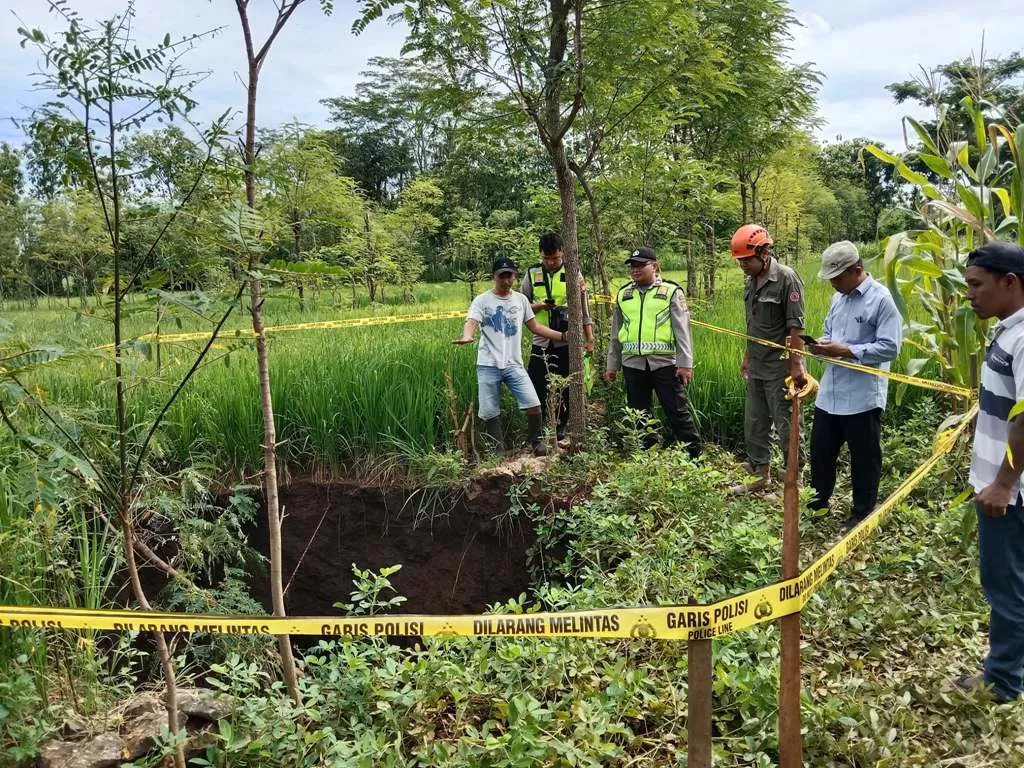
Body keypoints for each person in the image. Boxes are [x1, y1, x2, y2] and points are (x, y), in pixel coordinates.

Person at [958, 240, 1024, 702]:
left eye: (977, 285)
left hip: (1011, 494)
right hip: (1003, 484)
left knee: (1005, 585)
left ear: (1010, 282)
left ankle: (1002, 680)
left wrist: (1003, 482)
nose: (970, 295)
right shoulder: (1008, 329)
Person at [805, 241, 902, 530]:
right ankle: (817, 506)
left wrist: (845, 351)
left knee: (864, 458)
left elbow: (890, 347)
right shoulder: (838, 299)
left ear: (856, 269)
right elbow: (828, 332)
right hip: (831, 392)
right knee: (820, 453)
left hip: (863, 396)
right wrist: (822, 346)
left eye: (837, 278)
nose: (833, 284)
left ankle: (861, 513)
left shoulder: (882, 300)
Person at [454, 256, 567, 457]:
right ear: (494, 277)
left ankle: (536, 443)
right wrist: (467, 336)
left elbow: (536, 327)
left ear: (515, 276)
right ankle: (498, 450)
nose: (507, 281)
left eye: (510, 276)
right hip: (488, 363)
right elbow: (472, 320)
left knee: (533, 403)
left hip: (514, 364)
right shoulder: (483, 300)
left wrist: (564, 337)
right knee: (490, 410)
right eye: (502, 277)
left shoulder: (521, 300)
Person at [728, 224, 808, 494]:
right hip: (758, 364)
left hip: (781, 366)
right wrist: (747, 356)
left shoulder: (787, 279)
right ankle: (761, 474)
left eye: (746, 260)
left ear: (763, 253)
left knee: (787, 424)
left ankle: (794, 482)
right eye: (739, 262)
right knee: (755, 421)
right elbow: (753, 324)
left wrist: (797, 365)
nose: (743, 266)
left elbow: (796, 326)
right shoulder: (751, 282)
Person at [603, 247, 702, 458]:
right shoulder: (623, 294)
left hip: (664, 364)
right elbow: (616, 333)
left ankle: (694, 457)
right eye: (632, 266)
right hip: (633, 364)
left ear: (654, 266)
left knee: (676, 411)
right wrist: (612, 365)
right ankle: (644, 457)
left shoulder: (671, 292)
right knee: (639, 414)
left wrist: (685, 364)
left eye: (641, 265)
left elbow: (682, 331)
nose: (635, 270)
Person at [522, 232, 595, 440]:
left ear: (562, 251)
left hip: (567, 340)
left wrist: (589, 338)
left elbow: (583, 308)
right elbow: (521, 306)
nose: (551, 262)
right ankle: (543, 425)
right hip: (541, 339)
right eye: (546, 258)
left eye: (555, 257)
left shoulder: (574, 273)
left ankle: (562, 425)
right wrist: (541, 306)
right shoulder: (532, 274)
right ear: (540, 255)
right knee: (537, 384)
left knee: (567, 385)